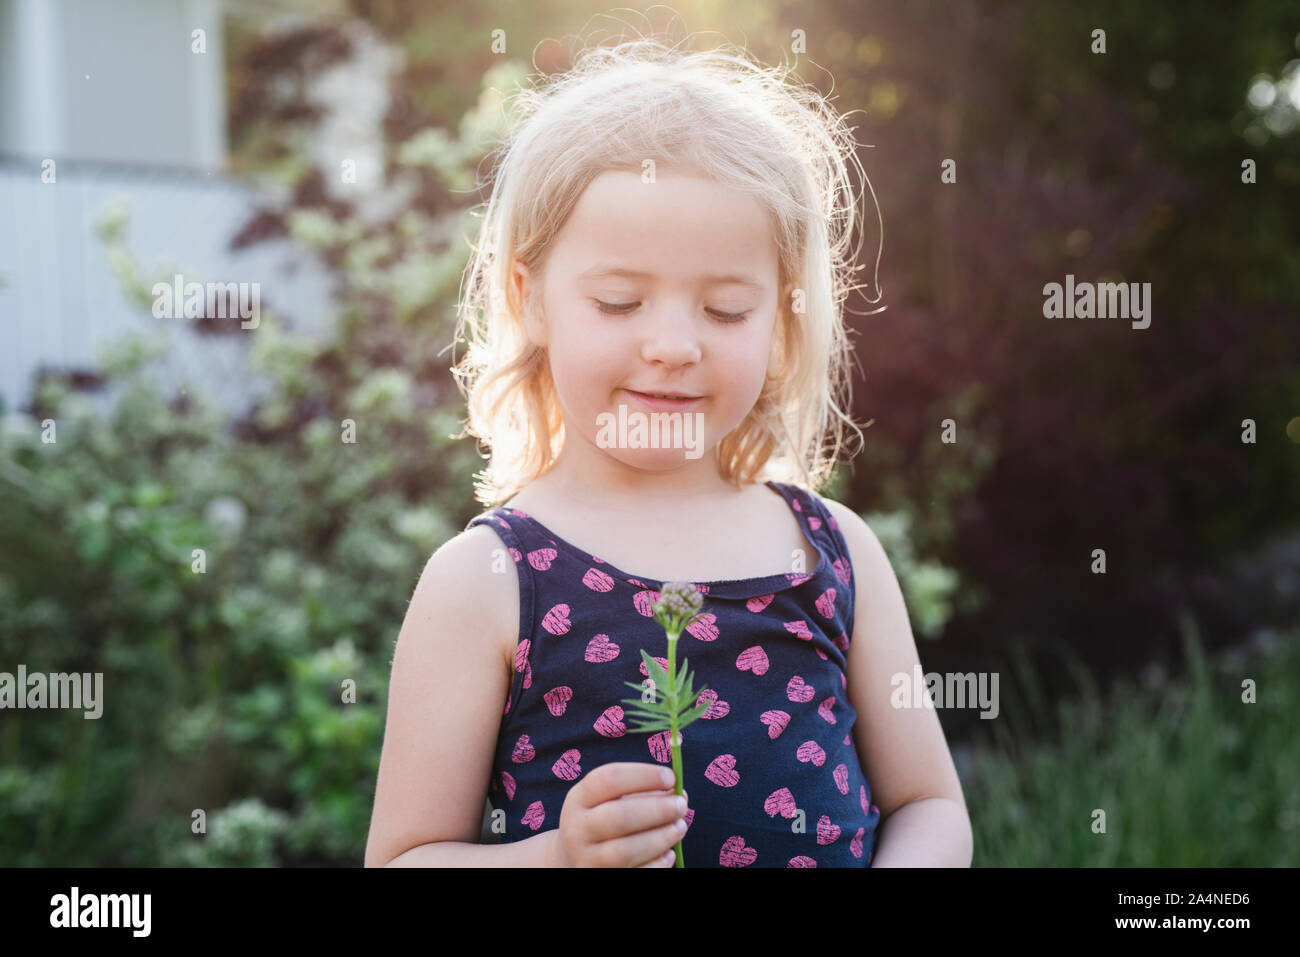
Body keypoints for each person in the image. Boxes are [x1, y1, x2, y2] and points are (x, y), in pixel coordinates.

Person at [364, 33, 971, 867]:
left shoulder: (833, 552)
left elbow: (930, 805)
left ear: (782, 319)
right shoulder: (490, 581)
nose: (673, 344)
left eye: (725, 310)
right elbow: (403, 858)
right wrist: (557, 857)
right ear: (527, 296)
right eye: (619, 301)